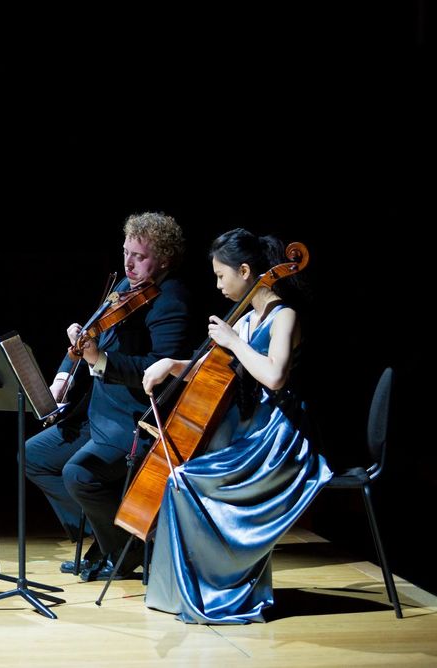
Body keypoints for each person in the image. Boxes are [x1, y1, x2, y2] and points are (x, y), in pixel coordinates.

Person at [140, 228, 331, 624]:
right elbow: (219, 368)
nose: (217, 284)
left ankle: (225, 593)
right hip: (250, 434)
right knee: (179, 478)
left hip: (278, 440)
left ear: (245, 271)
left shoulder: (284, 316)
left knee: (185, 482)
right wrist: (172, 366)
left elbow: (274, 376)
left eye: (221, 275)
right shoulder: (246, 319)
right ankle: (194, 591)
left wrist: (233, 340)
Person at [25, 212, 192, 582]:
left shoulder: (170, 302)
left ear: (164, 259)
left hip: (131, 420)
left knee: (79, 474)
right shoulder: (126, 292)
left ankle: (119, 545)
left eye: (140, 256)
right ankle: (114, 539)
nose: (129, 263)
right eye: (125, 252)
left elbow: (158, 370)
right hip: (95, 415)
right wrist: (63, 376)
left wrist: (100, 359)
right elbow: (85, 338)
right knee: (33, 455)